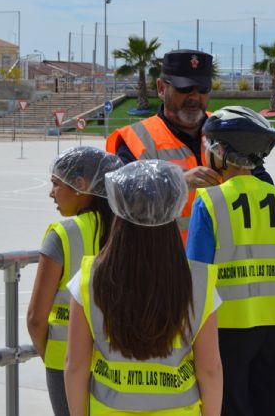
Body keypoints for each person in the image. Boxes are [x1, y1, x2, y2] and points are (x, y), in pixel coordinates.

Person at [65, 159, 223, 416]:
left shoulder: (89, 278)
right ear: (174, 207)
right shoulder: (199, 281)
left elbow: (75, 365)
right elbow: (210, 369)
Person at [186, 106, 275, 416]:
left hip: (225, 332)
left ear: (223, 151)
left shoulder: (210, 201)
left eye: (209, 144)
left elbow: (196, 279)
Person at [106, 49, 272, 243]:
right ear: (161, 88)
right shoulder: (135, 139)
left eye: (202, 89)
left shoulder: (229, 130)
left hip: (225, 266)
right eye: (184, 88)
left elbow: (265, 188)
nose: (194, 97)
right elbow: (120, 199)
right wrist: (179, 183)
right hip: (167, 266)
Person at [26, 146, 122, 416]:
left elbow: (36, 317)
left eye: (56, 184)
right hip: (117, 358)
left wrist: (52, 358)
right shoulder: (127, 228)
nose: (51, 193)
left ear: (81, 186)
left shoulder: (63, 234)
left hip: (66, 360)